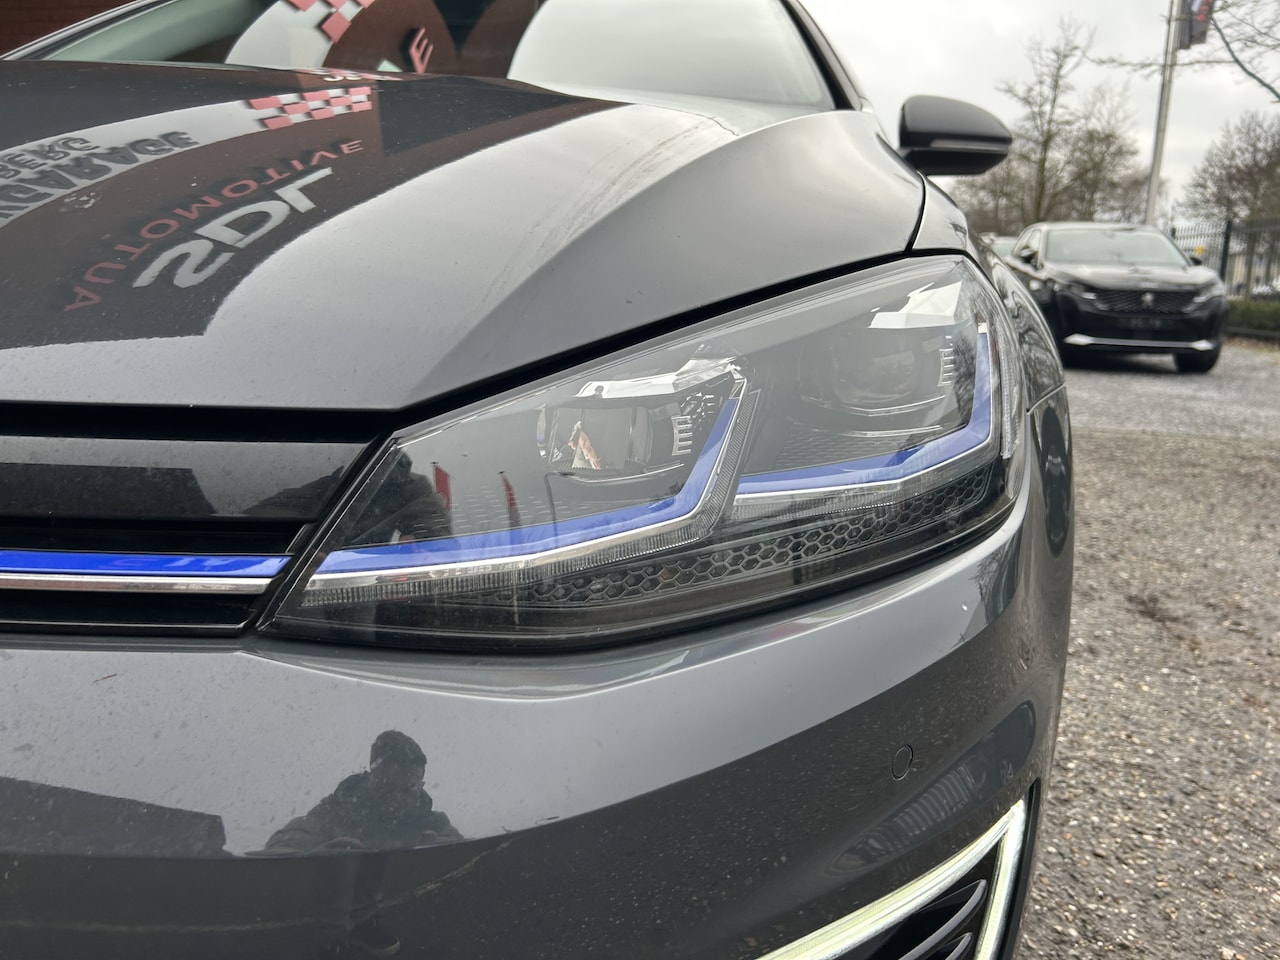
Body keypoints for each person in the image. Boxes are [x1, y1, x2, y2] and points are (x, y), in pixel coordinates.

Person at [265, 731, 461, 958]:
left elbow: (466, 849)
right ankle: (335, 941)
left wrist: (450, 849)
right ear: (371, 776)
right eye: (387, 787)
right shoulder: (336, 811)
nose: (396, 798)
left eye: (408, 789)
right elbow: (278, 845)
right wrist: (313, 856)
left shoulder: (431, 821)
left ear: (421, 784)